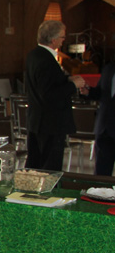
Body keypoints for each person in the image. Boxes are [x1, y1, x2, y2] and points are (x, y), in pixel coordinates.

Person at [25, 21, 85, 171]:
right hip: (51, 122)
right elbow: (49, 94)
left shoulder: (34, 55)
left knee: (35, 165)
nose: (63, 40)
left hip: (37, 119)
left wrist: (66, 80)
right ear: (53, 40)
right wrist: (73, 86)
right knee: (49, 168)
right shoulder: (47, 60)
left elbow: (44, 83)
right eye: (62, 37)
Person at [92, 61, 115, 175]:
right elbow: (101, 93)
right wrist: (88, 92)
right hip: (104, 128)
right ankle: (100, 193)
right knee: (101, 173)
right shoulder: (108, 68)